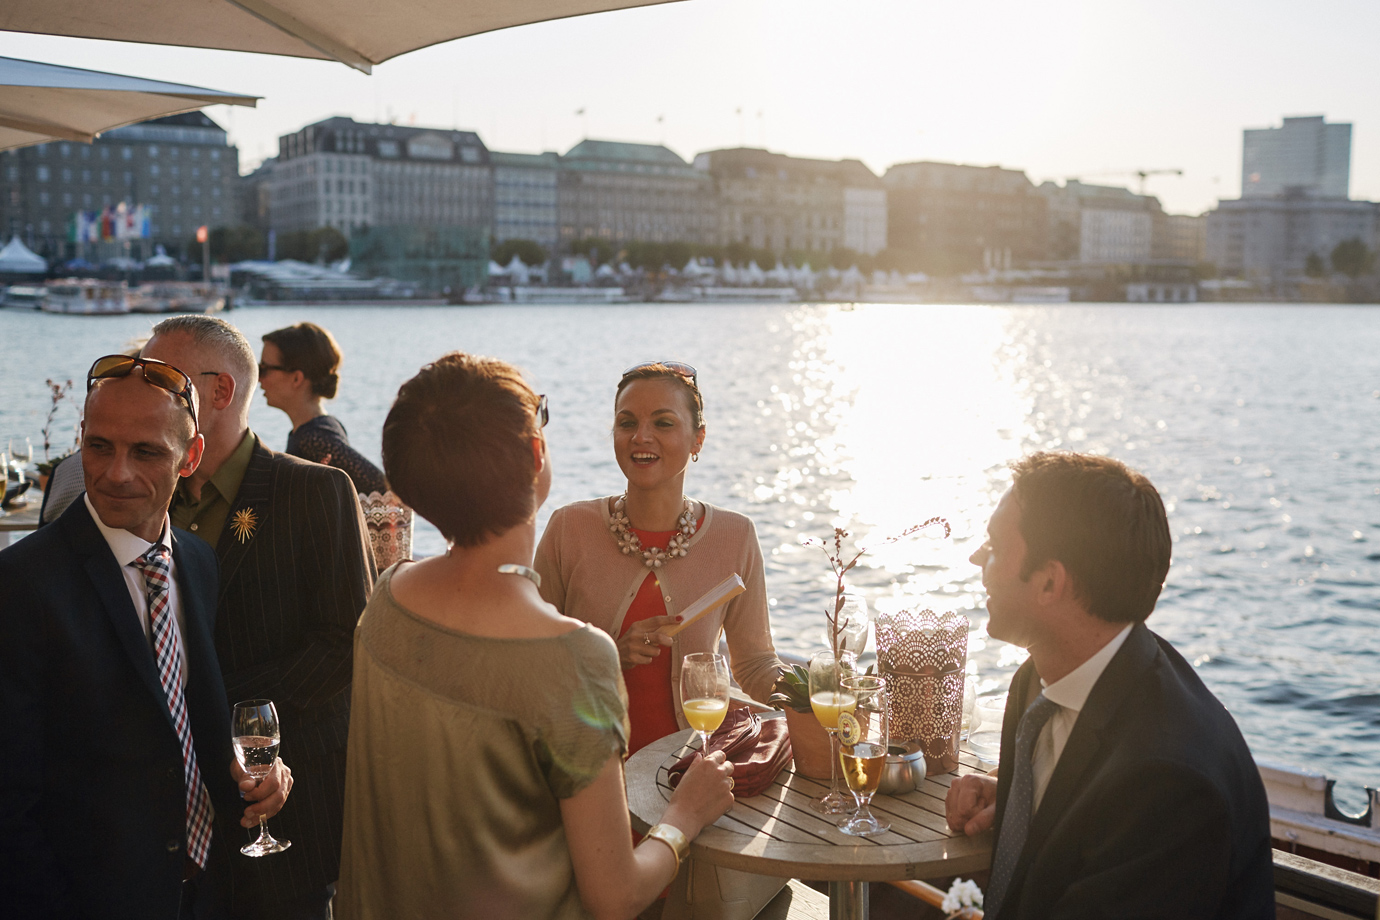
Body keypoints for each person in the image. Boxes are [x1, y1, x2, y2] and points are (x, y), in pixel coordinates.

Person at [336, 353, 736, 920]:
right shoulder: (572, 658)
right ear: (535, 455)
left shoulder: (388, 600)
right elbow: (615, 897)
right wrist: (684, 816)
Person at [0, 356, 292, 920]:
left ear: (192, 458)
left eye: (147, 451)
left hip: (208, 891)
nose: (117, 473)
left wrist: (263, 776)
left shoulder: (199, 562)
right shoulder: (20, 585)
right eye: (99, 446)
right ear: (79, 440)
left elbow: (190, 720)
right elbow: (9, 804)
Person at [946, 452, 1275, 920]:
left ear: (1049, 583)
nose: (977, 557)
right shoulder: (1042, 680)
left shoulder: (1168, 787)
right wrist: (1023, 792)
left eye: (995, 545)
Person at [142, 316, 376, 920]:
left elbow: (345, 644)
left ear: (220, 393)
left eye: (164, 379)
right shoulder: (147, 493)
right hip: (163, 813)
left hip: (282, 815)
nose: (149, 392)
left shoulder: (317, 492)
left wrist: (224, 714)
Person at [534, 361, 785, 755]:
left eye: (664, 423)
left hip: (690, 770)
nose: (641, 437)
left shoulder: (735, 536)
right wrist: (611, 654)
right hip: (586, 770)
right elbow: (533, 661)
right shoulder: (569, 529)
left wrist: (814, 692)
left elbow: (754, 666)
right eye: (627, 422)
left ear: (698, 439)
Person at [258, 322, 386, 496]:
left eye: (264, 369)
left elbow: (383, 488)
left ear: (297, 378)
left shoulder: (315, 437)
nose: (259, 379)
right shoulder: (313, 431)